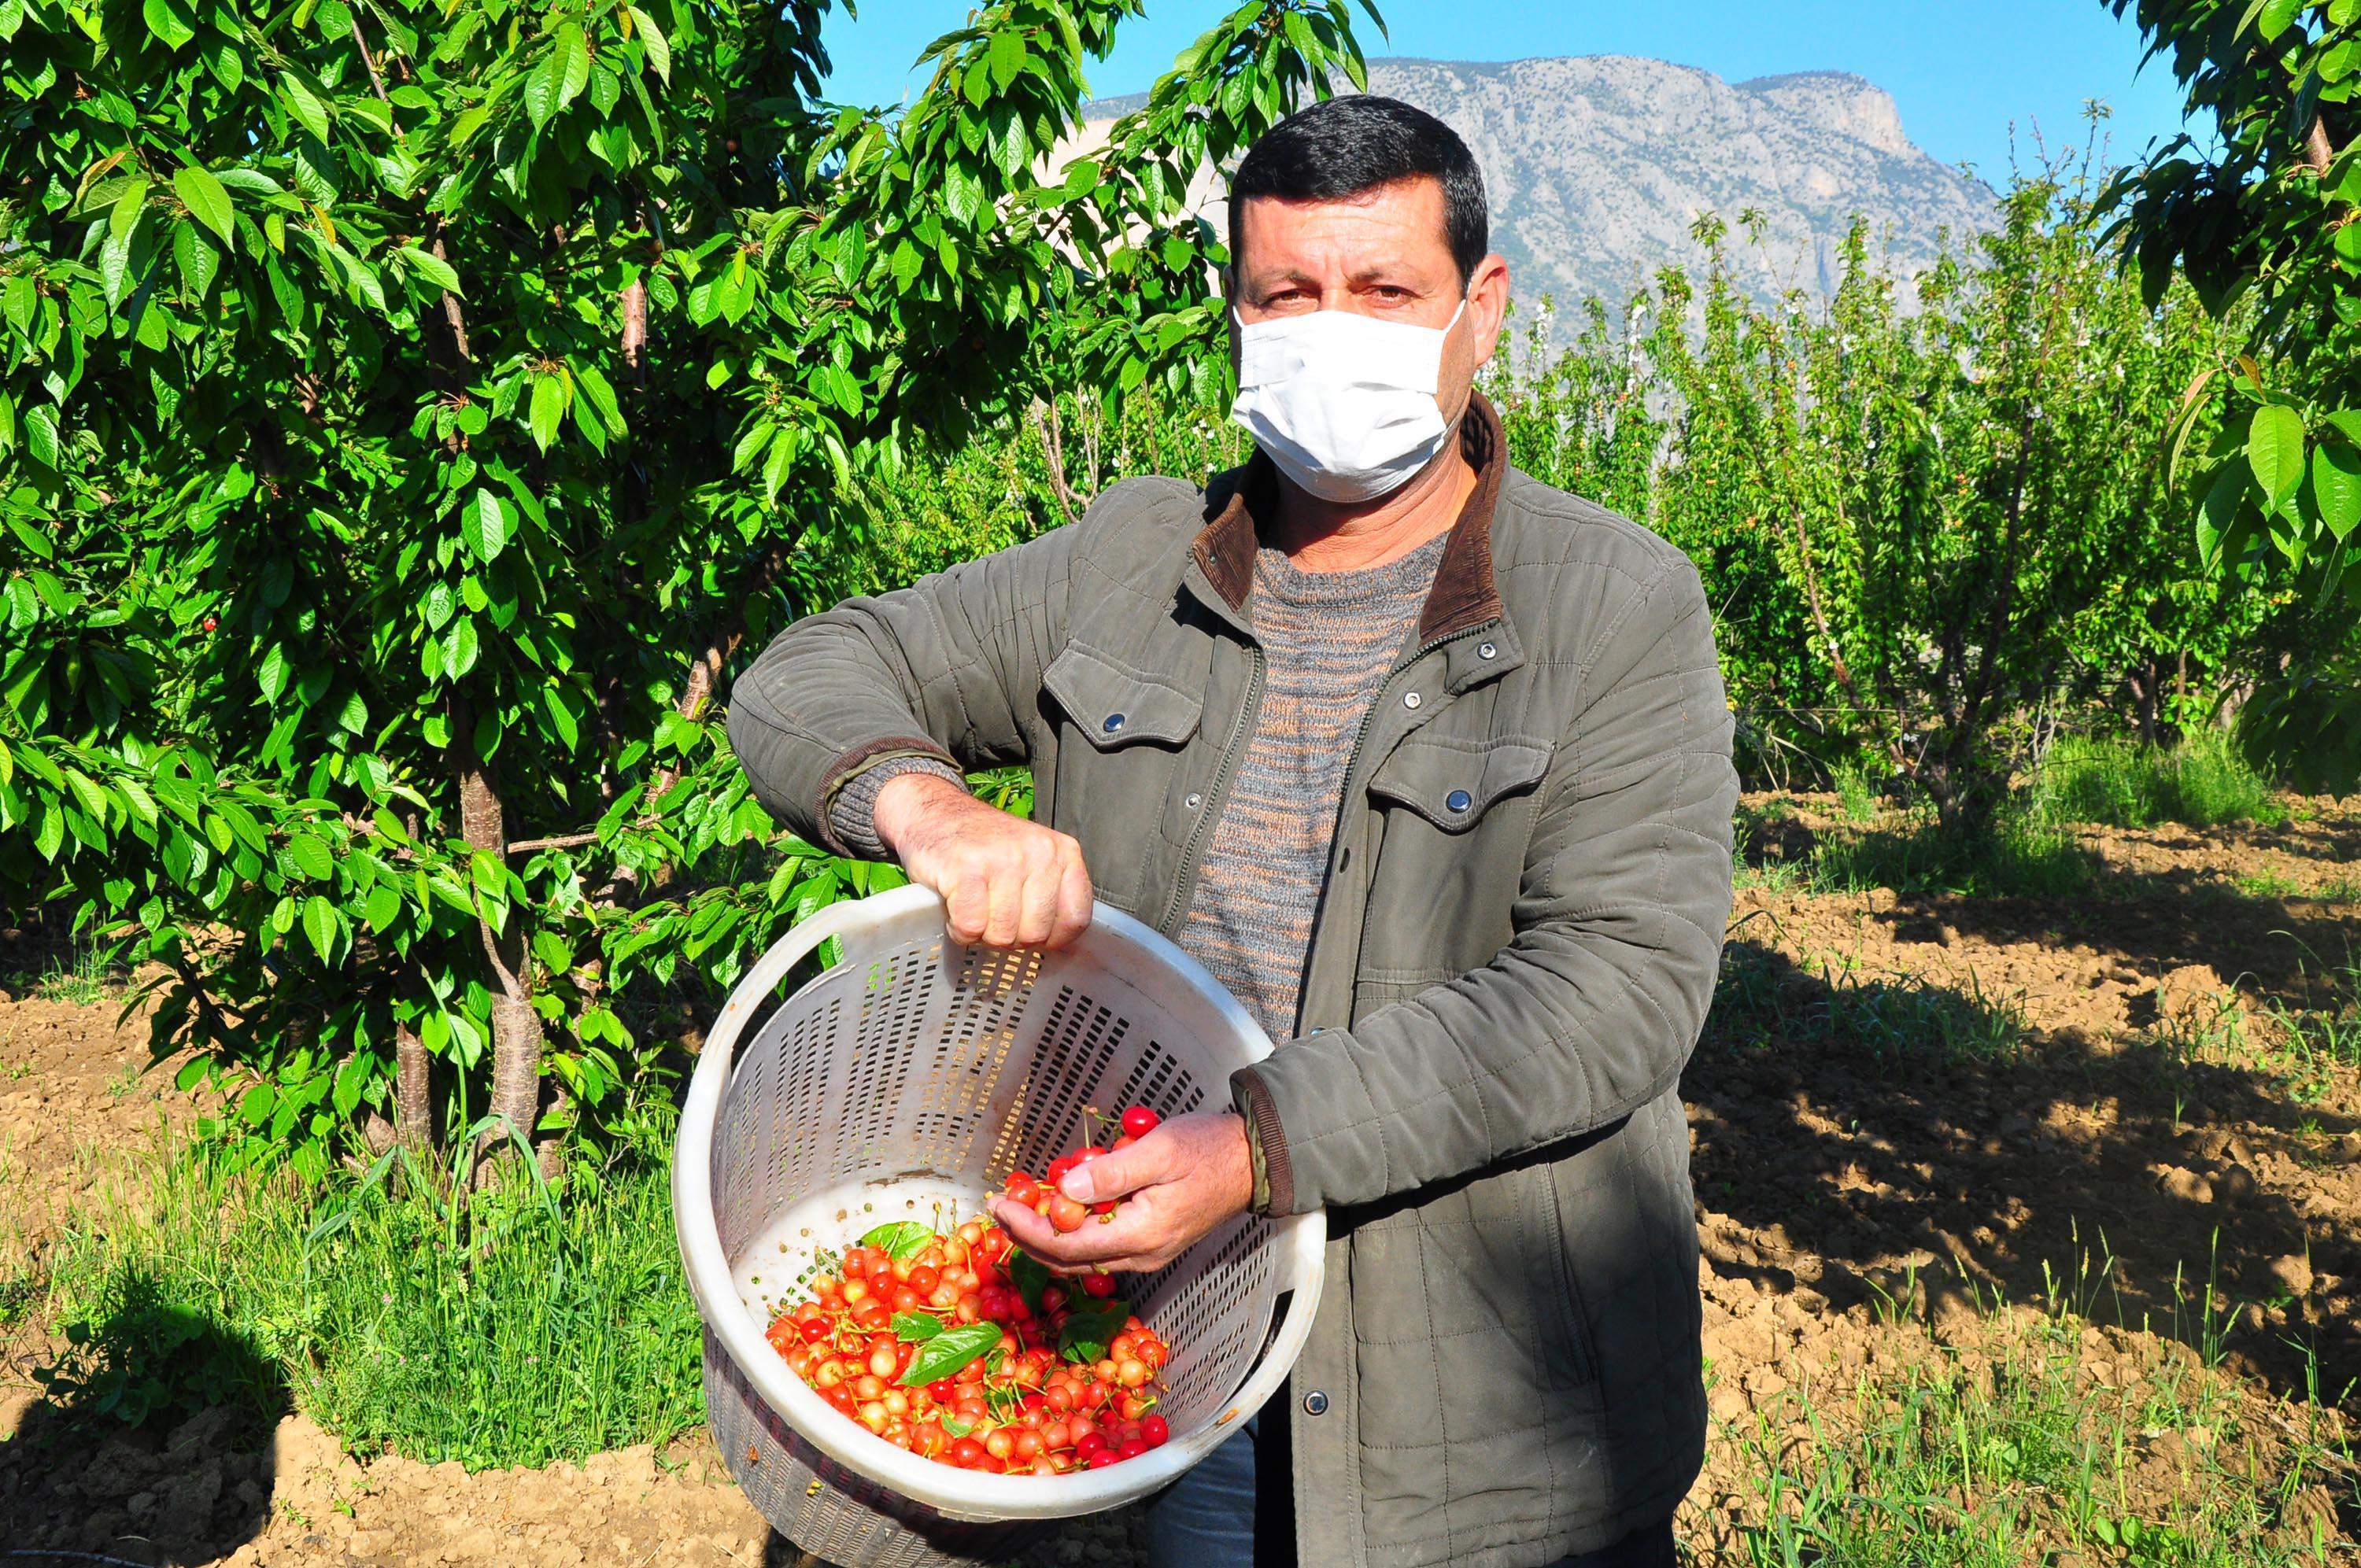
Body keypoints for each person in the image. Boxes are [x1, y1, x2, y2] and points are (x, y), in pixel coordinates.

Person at [729, 94, 1737, 1568]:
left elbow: (1615, 990)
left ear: (1485, 309)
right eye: (1290, 296)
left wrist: (1257, 1143)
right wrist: (923, 803)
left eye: (1387, 293)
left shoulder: (1614, 607)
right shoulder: (1131, 560)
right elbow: (808, 673)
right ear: (1239, 316)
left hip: (1475, 1413)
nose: (1338, 333)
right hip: (1158, 1336)